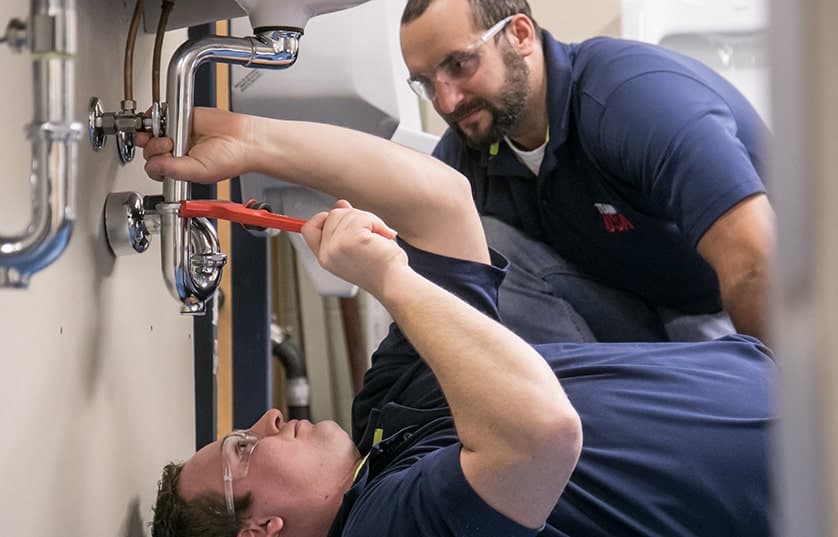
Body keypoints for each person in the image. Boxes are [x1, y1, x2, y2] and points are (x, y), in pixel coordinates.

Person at [139, 108, 774, 537]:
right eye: (243, 450)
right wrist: (390, 277)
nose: (266, 419)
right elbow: (542, 435)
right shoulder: (386, 526)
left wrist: (247, 137)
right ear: (260, 532)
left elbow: (442, 205)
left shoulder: (384, 424)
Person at [399, 0, 775, 344]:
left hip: (737, 309)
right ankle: (592, 404)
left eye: (460, 65)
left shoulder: (633, 101)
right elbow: (421, 288)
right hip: (639, 307)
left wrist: (781, 400)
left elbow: (755, 265)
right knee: (464, 242)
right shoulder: (472, 144)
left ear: (520, 35)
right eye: (427, 83)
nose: (447, 100)